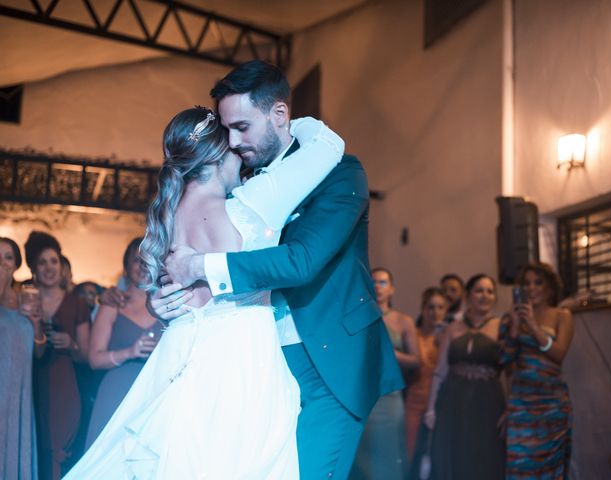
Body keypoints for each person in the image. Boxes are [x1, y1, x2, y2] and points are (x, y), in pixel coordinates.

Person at [152, 60, 404, 478]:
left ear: (280, 114)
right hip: (259, 363)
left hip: (329, 361)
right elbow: (187, 244)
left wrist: (201, 266)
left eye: (242, 127)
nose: (232, 142)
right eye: (227, 130)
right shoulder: (238, 178)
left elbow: (301, 260)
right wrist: (169, 297)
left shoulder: (341, 175)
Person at [64, 109, 344, 479]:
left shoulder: (168, 217)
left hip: (179, 350)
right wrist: (282, 121)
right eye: (234, 146)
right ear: (215, 157)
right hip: (240, 351)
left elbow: (168, 298)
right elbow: (329, 145)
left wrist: (158, 305)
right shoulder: (251, 204)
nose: (241, 156)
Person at [84, 237, 162, 449]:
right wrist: (129, 351)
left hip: (154, 393)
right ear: (126, 266)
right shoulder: (112, 304)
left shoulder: (167, 304)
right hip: (117, 392)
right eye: (137, 260)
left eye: (149, 259)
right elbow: (94, 359)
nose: (143, 265)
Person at [425, 274, 505, 480]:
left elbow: (510, 371)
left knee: (485, 454)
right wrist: (431, 408)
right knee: (453, 452)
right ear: (468, 295)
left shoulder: (502, 327)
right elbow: (440, 370)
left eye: (490, 291)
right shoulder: (453, 328)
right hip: (454, 399)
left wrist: (511, 407)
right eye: (479, 290)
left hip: (488, 400)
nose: (485, 296)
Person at [25, 231, 90, 480]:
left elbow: (86, 357)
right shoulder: (22, 298)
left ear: (61, 266)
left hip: (63, 383)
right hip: (29, 379)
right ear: (33, 268)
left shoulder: (77, 303)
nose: (49, 267)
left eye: (54, 261)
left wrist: (72, 345)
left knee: (59, 452)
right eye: (42, 262)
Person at [503, 262, 573, 479]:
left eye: (538, 282)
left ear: (550, 287)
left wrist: (533, 327)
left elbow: (558, 354)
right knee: (520, 465)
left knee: (550, 469)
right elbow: (505, 360)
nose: (531, 288)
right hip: (522, 403)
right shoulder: (511, 318)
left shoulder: (562, 315)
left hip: (552, 403)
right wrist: (515, 327)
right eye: (526, 283)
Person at [350, 267, 419, 479]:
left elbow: (417, 361)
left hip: (390, 394)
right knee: (362, 453)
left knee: (389, 449)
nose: (378, 287)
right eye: (374, 282)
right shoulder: (358, 316)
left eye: (383, 282)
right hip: (363, 395)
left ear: (392, 289)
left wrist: (392, 354)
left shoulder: (403, 321)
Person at [0, 236, 44, 480]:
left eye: (8, 258)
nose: (3, 263)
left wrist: (36, 324)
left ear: (16, 264)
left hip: (19, 388)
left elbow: (39, 352)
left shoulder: (27, 297)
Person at [405, 287, 447, 470]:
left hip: (441, 403)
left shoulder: (450, 336)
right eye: (430, 307)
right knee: (410, 453)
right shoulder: (414, 334)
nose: (435, 312)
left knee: (437, 456)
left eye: (440, 307)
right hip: (414, 400)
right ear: (423, 309)